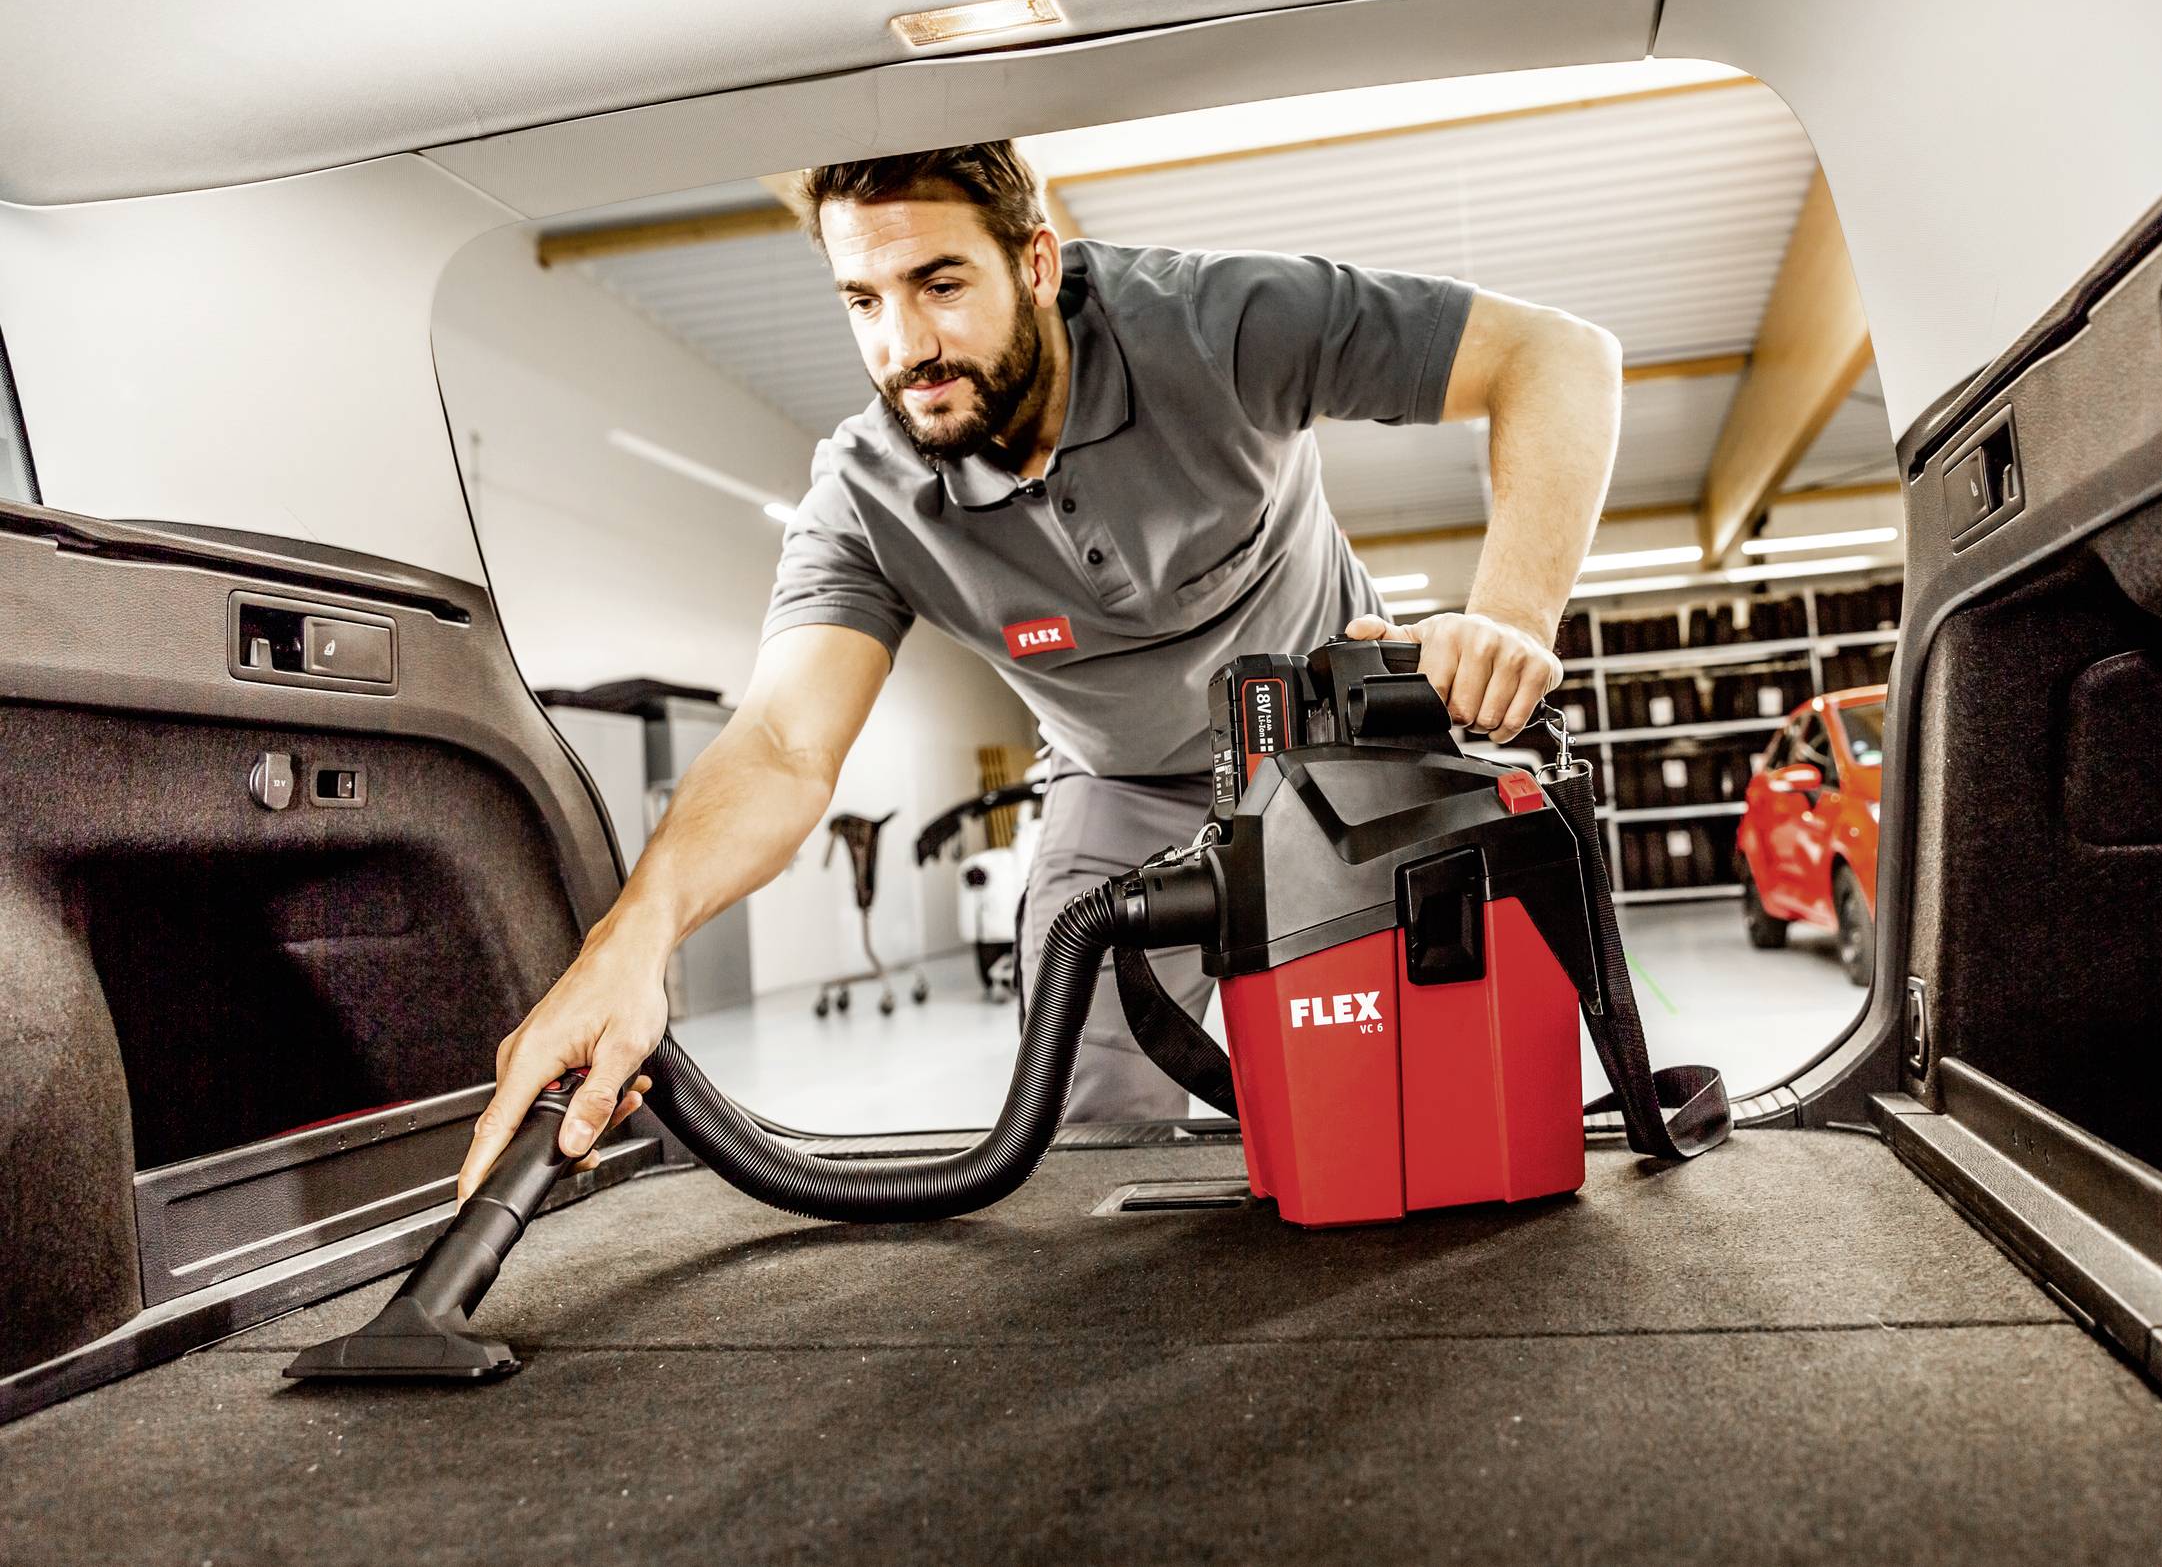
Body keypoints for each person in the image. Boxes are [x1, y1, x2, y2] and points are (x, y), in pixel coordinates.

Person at [459, 140, 1624, 1197]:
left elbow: (1556, 356)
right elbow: (780, 742)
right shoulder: (867, 495)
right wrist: (635, 936)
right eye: (862, 299)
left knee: (1421, 1091)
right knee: (1080, 1140)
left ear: (1035, 260)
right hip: (1118, 791)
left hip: (1334, 755)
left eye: (939, 285)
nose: (903, 346)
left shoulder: (1216, 323)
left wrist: (1510, 617)